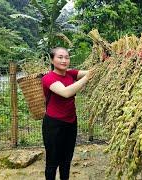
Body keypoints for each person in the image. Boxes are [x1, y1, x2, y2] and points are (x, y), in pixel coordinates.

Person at [41, 47, 93, 180]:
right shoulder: (48, 78)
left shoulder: (70, 74)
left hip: (71, 122)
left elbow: (92, 72)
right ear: (52, 60)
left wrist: (105, 60)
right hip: (54, 125)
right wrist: (86, 78)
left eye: (67, 57)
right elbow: (66, 92)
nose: (64, 60)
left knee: (66, 161)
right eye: (60, 57)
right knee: (52, 162)